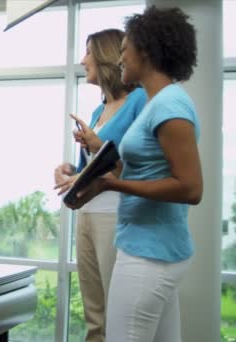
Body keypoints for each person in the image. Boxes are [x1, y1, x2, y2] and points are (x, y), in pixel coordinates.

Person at [59, 6, 202, 341]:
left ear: (146, 50)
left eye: (125, 50)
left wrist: (113, 183)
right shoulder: (158, 103)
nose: (120, 58)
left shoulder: (170, 106)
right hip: (147, 244)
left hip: (149, 254)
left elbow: (191, 188)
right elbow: (139, 167)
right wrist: (95, 175)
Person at [54, 29, 146, 342]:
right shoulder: (97, 111)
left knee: (114, 311)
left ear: (106, 56)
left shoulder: (138, 101)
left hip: (115, 215)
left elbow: (137, 163)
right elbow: (92, 167)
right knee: (95, 316)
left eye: (88, 53)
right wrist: (69, 172)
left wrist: (96, 145)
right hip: (88, 214)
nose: (82, 61)